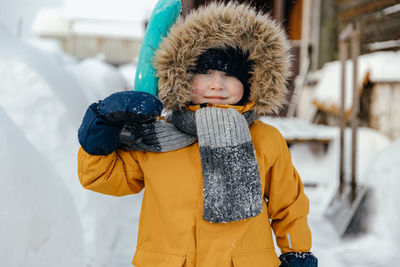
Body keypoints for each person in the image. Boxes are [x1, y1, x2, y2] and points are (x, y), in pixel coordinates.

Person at [77, 2, 317, 267]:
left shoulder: (265, 140)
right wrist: (100, 131)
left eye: (230, 75)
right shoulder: (156, 136)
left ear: (251, 82)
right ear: (181, 76)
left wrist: (297, 253)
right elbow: (103, 178)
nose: (217, 84)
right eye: (204, 72)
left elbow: (289, 206)